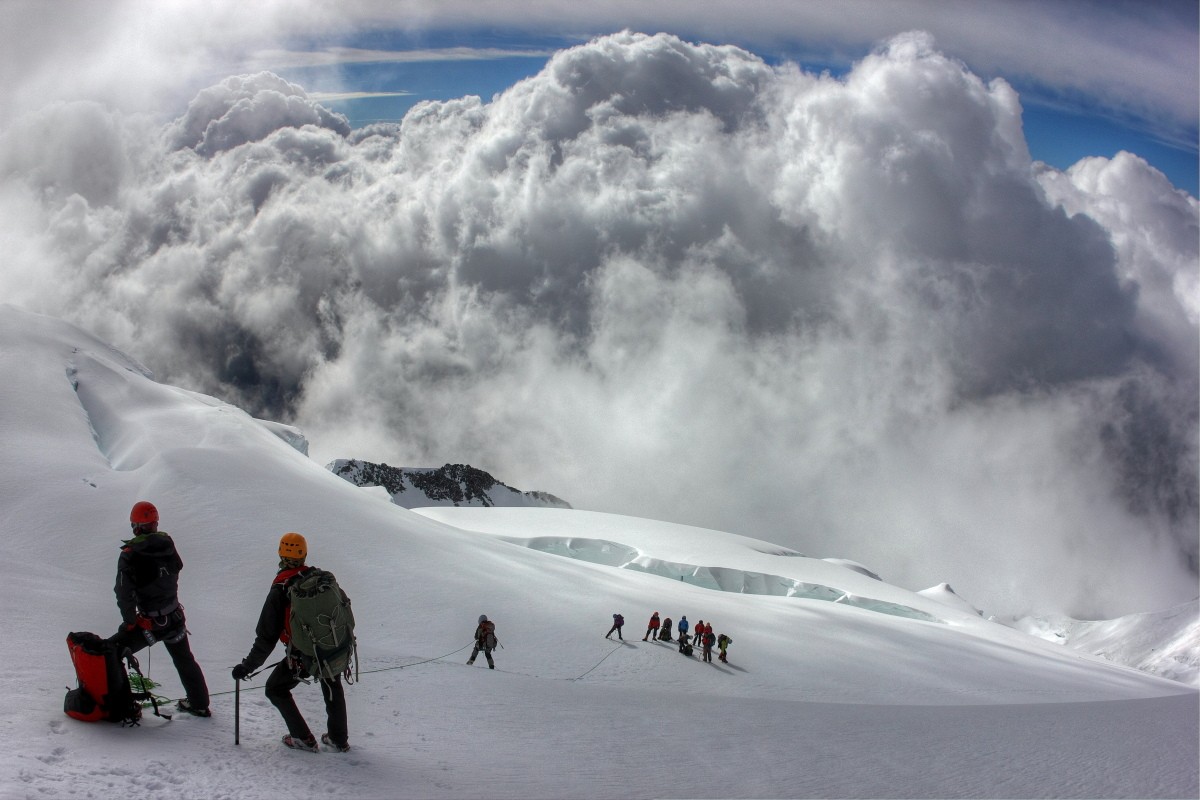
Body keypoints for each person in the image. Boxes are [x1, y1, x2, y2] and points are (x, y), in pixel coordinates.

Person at [230, 533, 350, 753]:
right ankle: (338, 739)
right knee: (332, 685)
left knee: (275, 689)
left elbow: (266, 638)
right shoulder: (319, 578)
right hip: (331, 646)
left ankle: (303, 738)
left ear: (280, 554)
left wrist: (247, 667)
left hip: (303, 654)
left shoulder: (281, 590)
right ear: (304, 554)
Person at [108, 501, 210, 717]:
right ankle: (199, 703)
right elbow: (177, 567)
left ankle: (120, 705)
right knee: (185, 659)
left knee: (113, 652)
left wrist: (129, 622)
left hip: (149, 622)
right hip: (174, 617)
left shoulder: (130, 553)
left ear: (135, 525)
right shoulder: (167, 543)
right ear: (155, 522)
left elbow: (123, 592)